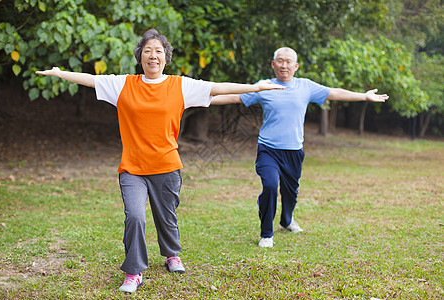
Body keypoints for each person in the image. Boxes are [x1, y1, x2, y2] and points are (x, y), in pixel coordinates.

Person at [36, 29, 285, 294]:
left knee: (166, 217)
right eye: (147, 51)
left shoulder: (179, 85)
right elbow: (91, 79)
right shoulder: (124, 84)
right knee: (135, 217)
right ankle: (134, 271)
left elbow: (216, 87)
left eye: (158, 51)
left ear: (165, 57)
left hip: (167, 166)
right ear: (139, 57)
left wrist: (256, 87)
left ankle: (171, 254)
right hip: (132, 168)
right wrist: (60, 73)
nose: (153, 56)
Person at [211, 47, 388, 248]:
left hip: (294, 151)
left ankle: (287, 220)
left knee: (291, 192)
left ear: (295, 66)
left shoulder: (306, 86)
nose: (283, 65)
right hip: (268, 149)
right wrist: (200, 100)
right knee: (269, 185)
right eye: (280, 61)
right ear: (273, 64)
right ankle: (266, 234)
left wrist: (364, 96)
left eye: (288, 62)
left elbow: (334, 93)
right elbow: (236, 97)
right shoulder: (264, 86)